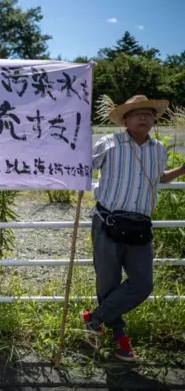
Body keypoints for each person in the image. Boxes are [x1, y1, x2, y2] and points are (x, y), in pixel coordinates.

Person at [82, 95, 185, 362]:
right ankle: (119, 337)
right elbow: (84, 167)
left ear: (154, 119)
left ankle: (93, 320)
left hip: (139, 225)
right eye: (135, 113)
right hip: (108, 221)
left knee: (142, 284)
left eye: (148, 113)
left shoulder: (158, 149)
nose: (142, 116)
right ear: (125, 119)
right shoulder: (109, 143)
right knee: (108, 282)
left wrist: (183, 169)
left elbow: (158, 176)